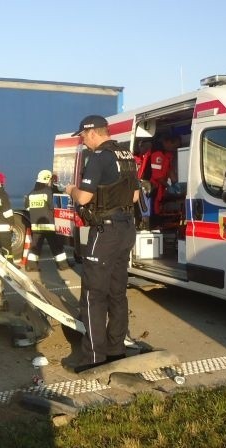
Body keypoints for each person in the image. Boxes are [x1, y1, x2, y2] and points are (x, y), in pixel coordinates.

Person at [64, 115, 139, 373]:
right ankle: (116, 349)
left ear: (93, 133)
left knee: (93, 296)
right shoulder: (127, 156)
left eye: (83, 137)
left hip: (106, 232)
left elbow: (83, 198)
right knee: (117, 292)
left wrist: (71, 189)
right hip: (127, 228)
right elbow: (136, 194)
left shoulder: (97, 158)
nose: (83, 142)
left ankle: (93, 359)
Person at [24, 169, 71, 272]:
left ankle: (31, 266)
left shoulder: (31, 193)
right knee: (56, 246)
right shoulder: (48, 192)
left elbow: (27, 207)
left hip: (36, 226)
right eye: (49, 180)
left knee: (35, 247)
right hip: (48, 225)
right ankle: (63, 265)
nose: (50, 182)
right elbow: (53, 207)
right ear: (46, 180)